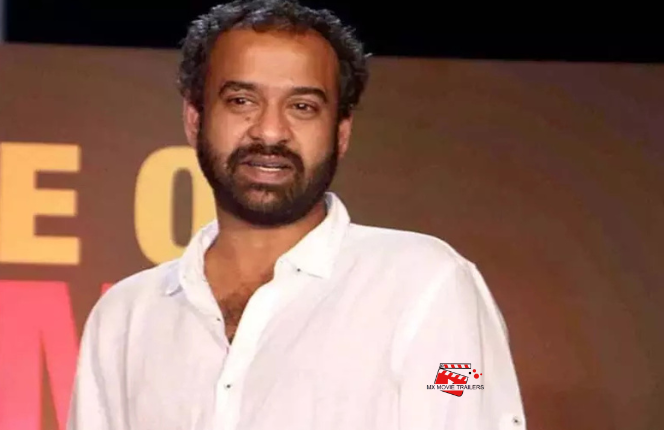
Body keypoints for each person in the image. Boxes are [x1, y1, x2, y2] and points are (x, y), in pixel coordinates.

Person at [66, 1, 527, 429]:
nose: (270, 132)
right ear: (194, 119)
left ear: (341, 133)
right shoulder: (126, 317)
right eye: (242, 101)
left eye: (302, 107)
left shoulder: (425, 286)